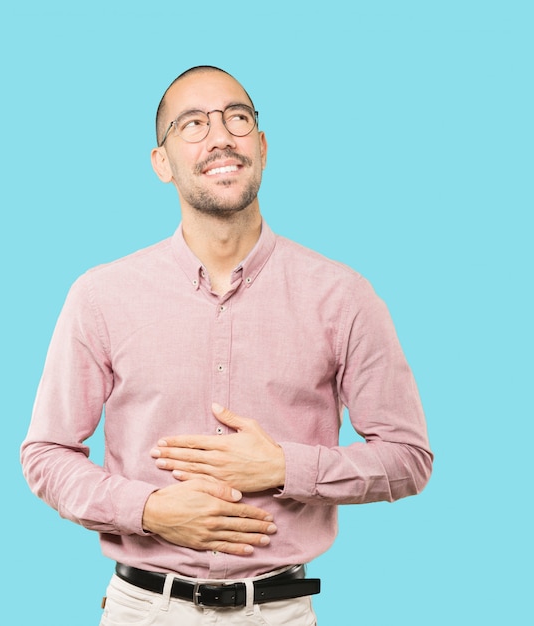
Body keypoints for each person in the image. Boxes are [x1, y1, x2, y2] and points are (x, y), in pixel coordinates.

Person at [21, 65, 433, 625]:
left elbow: (409, 459)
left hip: (278, 611)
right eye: (192, 124)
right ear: (161, 163)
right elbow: (45, 455)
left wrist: (285, 467)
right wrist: (151, 510)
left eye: (236, 118)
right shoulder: (100, 296)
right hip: (144, 611)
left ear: (261, 146)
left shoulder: (343, 296)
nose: (220, 136)